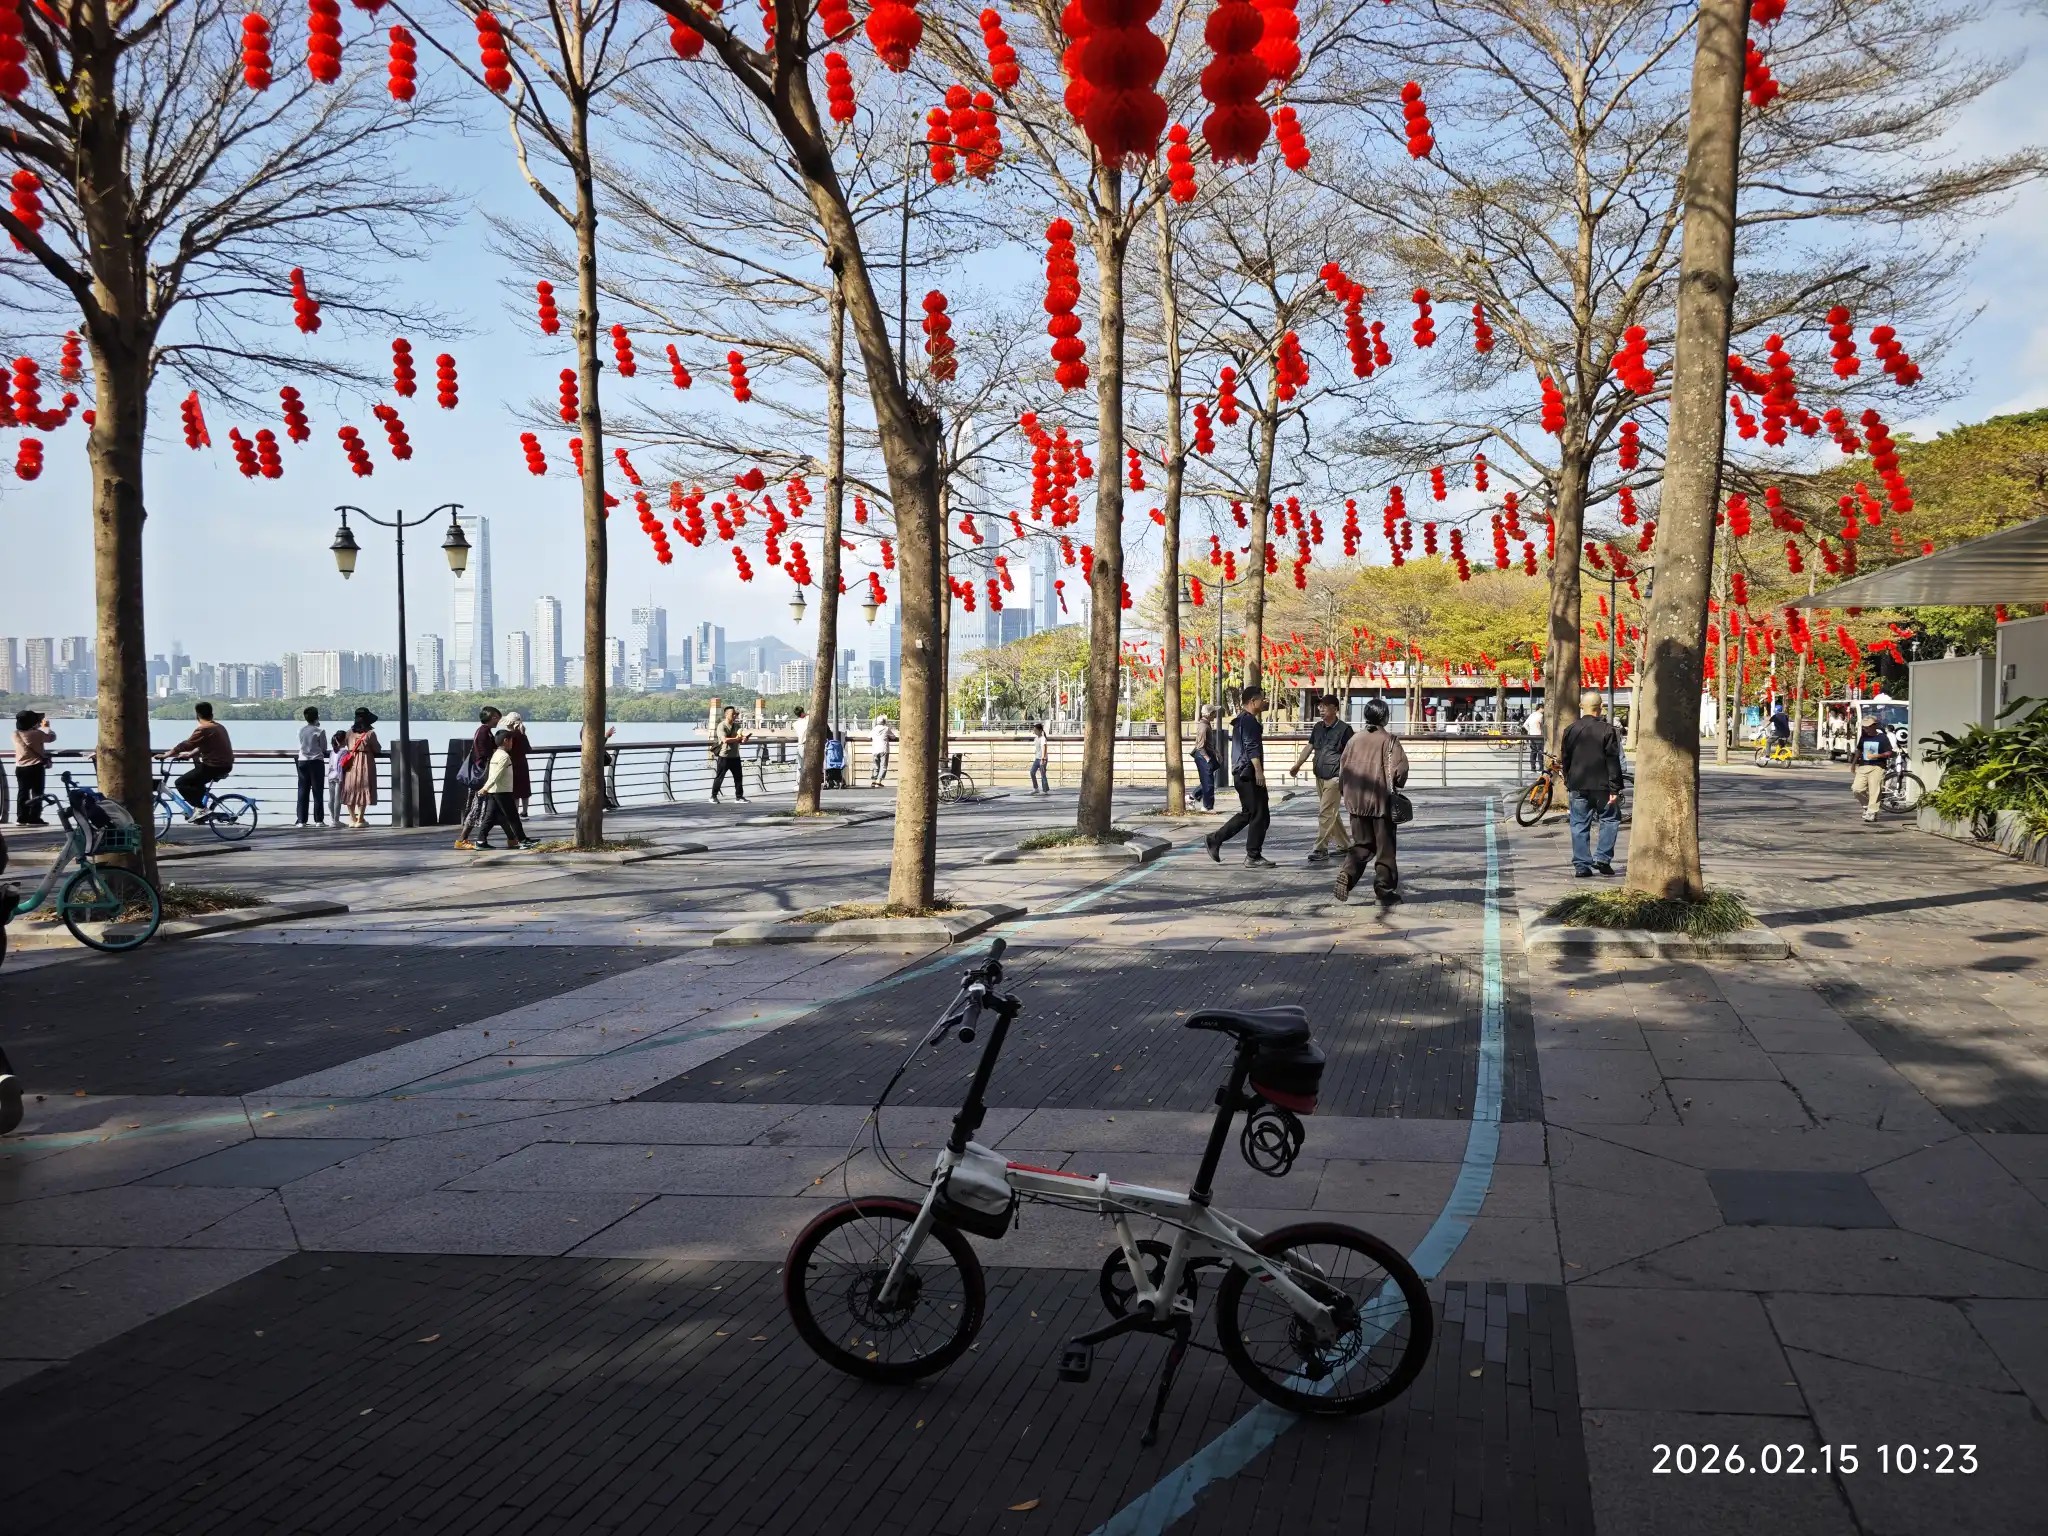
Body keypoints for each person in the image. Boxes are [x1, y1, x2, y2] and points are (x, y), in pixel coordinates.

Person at [1334, 697, 1409, 907]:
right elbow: (1400, 770)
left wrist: (1346, 794)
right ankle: (1384, 891)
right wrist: (1397, 783)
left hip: (1356, 802)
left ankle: (1348, 873)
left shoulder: (1353, 740)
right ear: (1384, 717)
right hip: (1381, 802)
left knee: (1362, 844)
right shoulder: (1390, 741)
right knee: (1385, 849)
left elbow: (1343, 769)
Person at [1204, 686, 1273, 868]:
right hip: (1248, 773)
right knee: (1258, 815)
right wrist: (1259, 771)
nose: (1264, 702)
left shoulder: (1242, 720)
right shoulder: (1248, 721)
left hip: (1242, 773)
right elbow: (1251, 747)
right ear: (1253, 701)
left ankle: (1216, 839)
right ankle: (1252, 855)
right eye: (1261, 699)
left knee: (1254, 814)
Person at [1560, 696, 1624, 876]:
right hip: (1603, 785)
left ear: (1582, 706)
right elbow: (1613, 761)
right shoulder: (1608, 730)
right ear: (1601, 707)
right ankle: (1602, 858)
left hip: (1578, 783)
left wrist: (1568, 780)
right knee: (1610, 819)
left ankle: (1582, 865)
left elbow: (1565, 758)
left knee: (1579, 823)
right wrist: (1615, 787)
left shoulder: (1570, 729)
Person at [1289, 693, 1354, 865]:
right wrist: (1298, 765)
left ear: (1335, 709)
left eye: (1325, 706)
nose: (1321, 709)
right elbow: (1310, 746)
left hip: (1335, 777)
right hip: (1319, 775)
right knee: (1331, 812)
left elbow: (1351, 756)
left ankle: (1320, 848)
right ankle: (1345, 845)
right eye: (1320, 706)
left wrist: (1345, 778)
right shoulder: (1318, 727)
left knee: (1325, 812)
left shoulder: (1345, 730)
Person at [165, 701, 234, 821]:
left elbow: (187, 744)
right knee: (196, 782)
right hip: (225, 765)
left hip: (214, 766)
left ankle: (201, 809)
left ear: (197, 716)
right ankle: (200, 812)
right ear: (212, 715)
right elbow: (204, 745)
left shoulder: (204, 729)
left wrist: (167, 754)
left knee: (180, 782)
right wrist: (191, 754)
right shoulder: (218, 727)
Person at [473, 728, 535, 849]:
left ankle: (481, 840)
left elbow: (493, 774)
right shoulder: (504, 757)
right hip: (502, 791)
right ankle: (522, 840)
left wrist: (487, 788)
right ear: (506, 741)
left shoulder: (496, 754)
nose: (512, 743)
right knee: (513, 817)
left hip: (494, 790)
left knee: (490, 817)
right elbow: (496, 774)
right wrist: (485, 788)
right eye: (511, 741)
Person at [453, 706, 502, 849]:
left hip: (481, 774)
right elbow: (484, 753)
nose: (498, 721)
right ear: (491, 717)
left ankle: (512, 838)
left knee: (487, 808)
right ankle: (462, 839)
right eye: (497, 718)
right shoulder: (484, 732)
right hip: (482, 776)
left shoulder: (483, 731)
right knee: (477, 807)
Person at [1850, 711, 1896, 823]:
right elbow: (1859, 750)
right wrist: (1853, 763)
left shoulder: (1882, 737)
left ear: (1875, 725)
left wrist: (1878, 755)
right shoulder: (1863, 737)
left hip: (1878, 766)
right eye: (1864, 727)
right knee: (1856, 789)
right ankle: (1867, 806)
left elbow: (1890, 752)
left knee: (1874, 790)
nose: (1866, 729)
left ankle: (1872, 812)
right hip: (1863, 766)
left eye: (1868, 726)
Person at [339, 707, 380, 829]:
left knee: (350, 789)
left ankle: (352, 818)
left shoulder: (349, 733)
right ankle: (360, 819)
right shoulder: (370, 734)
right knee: (364, 788)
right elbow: (377, 749)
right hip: (365, 763)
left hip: (351, 763)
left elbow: (344, 745)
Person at [13, 709, 54, 826]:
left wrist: (36, 727)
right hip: (36, 766)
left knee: (22, 792)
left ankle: (21, 818)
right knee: (37, 792)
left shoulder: (15, 734)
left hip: (20, 767)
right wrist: (46, 727)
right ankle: (34, 818)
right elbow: (51, 738)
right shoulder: (37, 734)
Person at [294, 706, 329, 827]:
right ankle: (318, 820)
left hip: (302, 761)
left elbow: (301, 744)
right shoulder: (320, 731)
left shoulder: (301, 730)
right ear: (317, 716)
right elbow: (323, 748)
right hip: (316, 762)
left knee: (302, 791)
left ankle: (301, 820)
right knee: (317, 791)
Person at [711, 706, 748, 801]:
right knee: (720, 777)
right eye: (733, 714)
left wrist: (744, 739)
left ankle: (739, 797)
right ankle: (713, 796)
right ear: (726, 714)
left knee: (738, 778)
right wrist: (737, 739)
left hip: (735, 756)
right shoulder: (722, 726)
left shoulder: (737, 726)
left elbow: (740, 739)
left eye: (736, 714)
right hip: (724, 756)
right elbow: (724, 740)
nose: (735, 716)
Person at [502, 711, 533, 818]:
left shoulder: (508, 736)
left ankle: (515, 813)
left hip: (511, 764)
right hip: (522, 764)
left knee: (514, 791)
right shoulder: (521, 735)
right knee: (524, 789)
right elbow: (528, 749)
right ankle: (524, 811)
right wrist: (523, 734)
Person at [1188, 704, 1219, 811]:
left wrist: (1216, 753)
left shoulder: (1206, 724)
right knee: (1209, 783)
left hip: (1206, 755)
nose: (1215, 715)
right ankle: (1207, 807)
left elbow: (1208, 743)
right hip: (1203, 756)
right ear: (1209, 714)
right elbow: (1200, 746)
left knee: (1207, 781)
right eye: (1214, 713)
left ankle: (1192, 797)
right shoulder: (1203, 727)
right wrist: (1207, 758)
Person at [325, 728, 349, 812]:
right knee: (338, 799)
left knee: (331, 798)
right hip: (339, 776)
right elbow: (342, 764)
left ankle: (332, 817)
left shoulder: (332, 752)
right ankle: (336, 818)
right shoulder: (345, 751)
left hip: (331, 775)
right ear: (344, 740)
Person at [869, 714, 893, 788]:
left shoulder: (874, 729)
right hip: (884, 749)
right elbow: (893, 737)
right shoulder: (886, 729)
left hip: (875, 750)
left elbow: (869, 736)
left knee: (876, 765)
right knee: (883, 766)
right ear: (884, 721)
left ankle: (874, 780)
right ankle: (878, 781)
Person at [1524, 702, 1545, 776]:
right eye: (1543, 708)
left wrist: (1530, 731)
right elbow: (1541, 725)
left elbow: (1525, 724)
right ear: (1540, 708)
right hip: (1539, 735)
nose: (1544, 710)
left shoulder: (1532, 715)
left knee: (1533, 751)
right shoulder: (1541, 716)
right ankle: (1541, 768)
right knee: (1540, 752)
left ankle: (1533, 768)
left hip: (1532, 736)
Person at [1029, 721, 1050, 795]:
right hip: (1037, 758)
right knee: (1032, 772)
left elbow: (1044, 748)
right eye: (1034, 730)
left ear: (1040, 730)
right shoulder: (1036, 738)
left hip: (1042, 758)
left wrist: (1043, 758)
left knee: (1042, 774)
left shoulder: (1043, 738)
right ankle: (1036, 788)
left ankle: (1045, 790)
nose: (1034, 731)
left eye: (1035, 730)